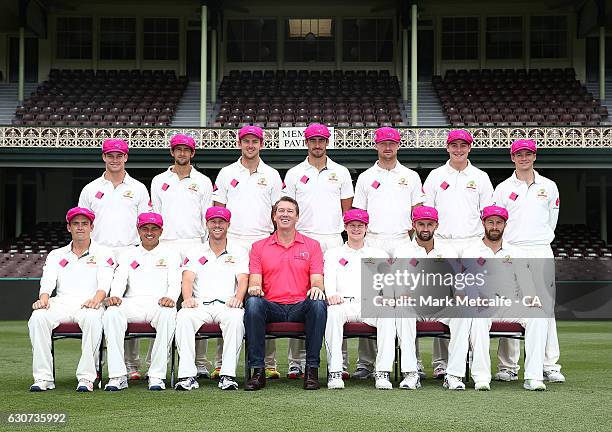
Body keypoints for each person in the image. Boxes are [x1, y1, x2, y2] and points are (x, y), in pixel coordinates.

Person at [282, 123, 354, 379]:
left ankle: (340, 361)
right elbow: (287, 209)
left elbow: (348, 211)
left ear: (327, 142)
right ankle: (296, 361)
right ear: (306, 142)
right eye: (313, 140)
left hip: (333, 239)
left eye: (321, 140)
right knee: (300, 298)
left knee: (337, 299)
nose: (317, 145)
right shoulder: (293, 174)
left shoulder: (341, 172)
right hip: (302, 239)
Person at [352, 126, 424, 378]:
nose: (388, 147)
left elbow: (418, 213)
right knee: (372, 301)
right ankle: (366, 363)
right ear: (376, 146)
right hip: (373, 242)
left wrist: (412, 243)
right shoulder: (365, 177)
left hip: (402, 240)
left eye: (392, 143)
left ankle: (412, 361)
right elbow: (358, 215)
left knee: (405, 300)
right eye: (383, 143)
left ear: (398, 145)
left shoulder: (411, 176)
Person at [213, 125, 283, 379]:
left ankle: (270, 361)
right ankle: (222, 362)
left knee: (265, 299)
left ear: (261, 144)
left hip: (263, 241)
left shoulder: (272, 175)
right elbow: (218, 210)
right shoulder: (226, 173)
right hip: (233, 242)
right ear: (240, 143)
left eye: (255, 141)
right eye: (246, 141)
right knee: (228, 300)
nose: (250, 145)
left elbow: (278, 212)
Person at [422, 129, 493, 378]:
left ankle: (472, 359)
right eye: (454, 145)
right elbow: (426, 215)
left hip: (473, 243)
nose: (459, 150)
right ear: (448, 148)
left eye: (463, 146)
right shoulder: (435, 176)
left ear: (470, 148)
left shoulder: (481, 177)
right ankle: (442, 363)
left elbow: (487, 215)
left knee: (472, 302)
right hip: (444, 243)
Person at [78, 138, 151, 380]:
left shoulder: (139, 188)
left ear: (126, 158)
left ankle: (131, 365)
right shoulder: (90, 189)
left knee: (126, 306)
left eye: (119, 155)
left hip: (130, 253)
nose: (115, 159)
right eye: (110, 155)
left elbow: (145, 225)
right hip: (99, 254)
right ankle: (97, 366)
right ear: (104, 157)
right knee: (96, 309)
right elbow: (83, 223)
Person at [492, 139, 564, 383]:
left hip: (541, 249)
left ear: (534, 156)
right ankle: (508, 366)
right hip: (512, 250)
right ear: (512, 158)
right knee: (511, 304)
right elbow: (496, 222)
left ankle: (549, 365)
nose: (523, 158)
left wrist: (539, 242)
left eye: (528, 154)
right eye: (519, 154)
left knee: (545, 308)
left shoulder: (550, 186)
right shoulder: (502, 188)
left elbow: (551, 221)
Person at [243, 197, 327, 391]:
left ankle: (311, 370)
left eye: (290, 211)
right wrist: (255, 287)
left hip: (300, 305)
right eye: (281, 211)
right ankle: (258, 371)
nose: (285, 214)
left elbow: (317, 279)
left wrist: (316, 287)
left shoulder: (312, 245)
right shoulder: (259, 246)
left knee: (318, 303)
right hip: (271, 305)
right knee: (253, 303)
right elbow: (255, 279)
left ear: (297, 217)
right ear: (274, 217)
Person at [28, 207, 115, 392]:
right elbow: (48, 281)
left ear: (92, 227)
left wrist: (96, 300)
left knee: (92, 318)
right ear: (69, 228)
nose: (80, 227)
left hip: (89, 304)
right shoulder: (56, 254)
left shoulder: (104, 253)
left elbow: (104, 283)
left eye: (85, 224)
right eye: (76, 224)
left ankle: (86, 378)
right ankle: (43, 378)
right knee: (38, 318)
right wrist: (44, 299)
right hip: (62, 302)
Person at [463, 205, 549, 391]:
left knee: (539, 315)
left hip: (511, 304)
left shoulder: (517, 252)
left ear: (505, 225)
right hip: (483, 304)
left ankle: (533, 377)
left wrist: (532, 298)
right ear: (483, 223)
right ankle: (481, 377)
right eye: (491, 222)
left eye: (499, 223)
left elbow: (526, 281)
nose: (495, 226)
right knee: (477, 317)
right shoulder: (471, 250)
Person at [151, 133, 214, 379]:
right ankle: (159, 361)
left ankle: (199, 362)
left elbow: (206, 218)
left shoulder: (203, 181)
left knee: (196, 302)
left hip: (194, 244)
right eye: (178, 150)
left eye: (186, 150)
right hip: (165, 245)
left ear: (193, 153)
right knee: (163, 302)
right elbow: (155, 216)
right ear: (172, 152)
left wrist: (203, 246)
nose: (182, 154)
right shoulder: (159, 180)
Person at [324, 209, 408, 390]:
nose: (356, 229)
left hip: (369, 303)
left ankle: (382, 372)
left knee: (388, 312)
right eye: (352, 225)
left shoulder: (378, 254)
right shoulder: (333, 253)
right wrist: (331, 293)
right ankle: (335, 372)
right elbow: (329, 280)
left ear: (366, 228)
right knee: (331, 314)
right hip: (343, 303)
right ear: (345, 227)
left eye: (360, 226)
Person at [394, 206, 475, 390]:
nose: (425, 229)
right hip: (415, 305)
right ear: (413, 225)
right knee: (401, 308)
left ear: (436, 225)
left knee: (464, 310)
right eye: (421, 224)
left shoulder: (449, 250)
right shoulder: (402, 250)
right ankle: (411, 373)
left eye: (429, 224)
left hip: (441, 305)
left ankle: (453, 374)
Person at [102, 212, 181, 391]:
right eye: (145, 228)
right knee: (111, 313)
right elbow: (120, 279)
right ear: (138, 230)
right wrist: (115, 295)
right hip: (132, 302)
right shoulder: (128, 254)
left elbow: (175, 282)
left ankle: (157, 375)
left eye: (154, 228)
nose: (149, 232)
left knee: (168, 315)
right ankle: (117, 375)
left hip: (159, 303)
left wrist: (171, 298)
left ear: (161, 231)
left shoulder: (172, 254)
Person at [174, 206, 248, 391]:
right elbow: (187, 278)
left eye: (221, 222)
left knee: (236, 318)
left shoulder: (239, 251)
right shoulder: (195, 251)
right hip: (200, 304)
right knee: (183, 316)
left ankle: (227, 374)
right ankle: (187, 376)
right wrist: (188, 298)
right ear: (206, 224)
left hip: (227, 303)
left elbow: (243, 279)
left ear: (228, 225)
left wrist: (238, 298)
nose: (217, 225)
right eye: (213, 222)